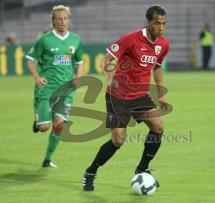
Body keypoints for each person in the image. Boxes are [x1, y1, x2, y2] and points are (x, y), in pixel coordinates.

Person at [82, 5, 170, 191]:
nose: (160, 27)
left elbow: (157, 67)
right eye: (157, 23)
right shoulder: (131, 39)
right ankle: (91, 171)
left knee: (158, 127)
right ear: (149, 23)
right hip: (118, 96)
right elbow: (107, 58)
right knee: (118, 140)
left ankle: (142, 168)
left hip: (140, 96)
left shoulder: (163, 45)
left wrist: (160, 94)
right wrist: (109, 79)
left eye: (163, 23)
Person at [26, 5, 83, 168]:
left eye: (65, 18)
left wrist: (78, 79)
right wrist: (37, 77)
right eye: (59, 18)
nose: (63, 21)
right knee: (44, 127)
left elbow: (79, 62)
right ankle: (39, 118)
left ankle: (47, 159)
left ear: (69, 21)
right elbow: (31, 59)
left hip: (66, 90)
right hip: (47, 88)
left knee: (59, 127)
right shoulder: (44, 40)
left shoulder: (76, 40)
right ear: (53, 22)